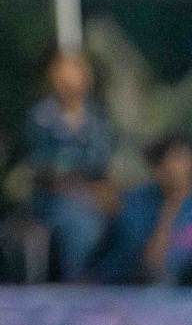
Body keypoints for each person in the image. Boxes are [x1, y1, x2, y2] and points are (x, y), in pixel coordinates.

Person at [25, 51, 116, 282]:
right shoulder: (41, 118)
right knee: (80, 226)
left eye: (76, 70)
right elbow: (46, 174)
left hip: (98, 198)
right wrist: (87, 189)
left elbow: (107, 167)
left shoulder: (100, 117)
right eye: (62, 71)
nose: (70, 78)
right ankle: (78, 287)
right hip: (56, 202)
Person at [95, 134, 192, 284]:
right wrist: (171, 206)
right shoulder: (138, 204)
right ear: (159, 167)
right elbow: (151, 266)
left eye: (184, 160)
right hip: (122, 288)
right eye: (174, 161)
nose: (179, 169)